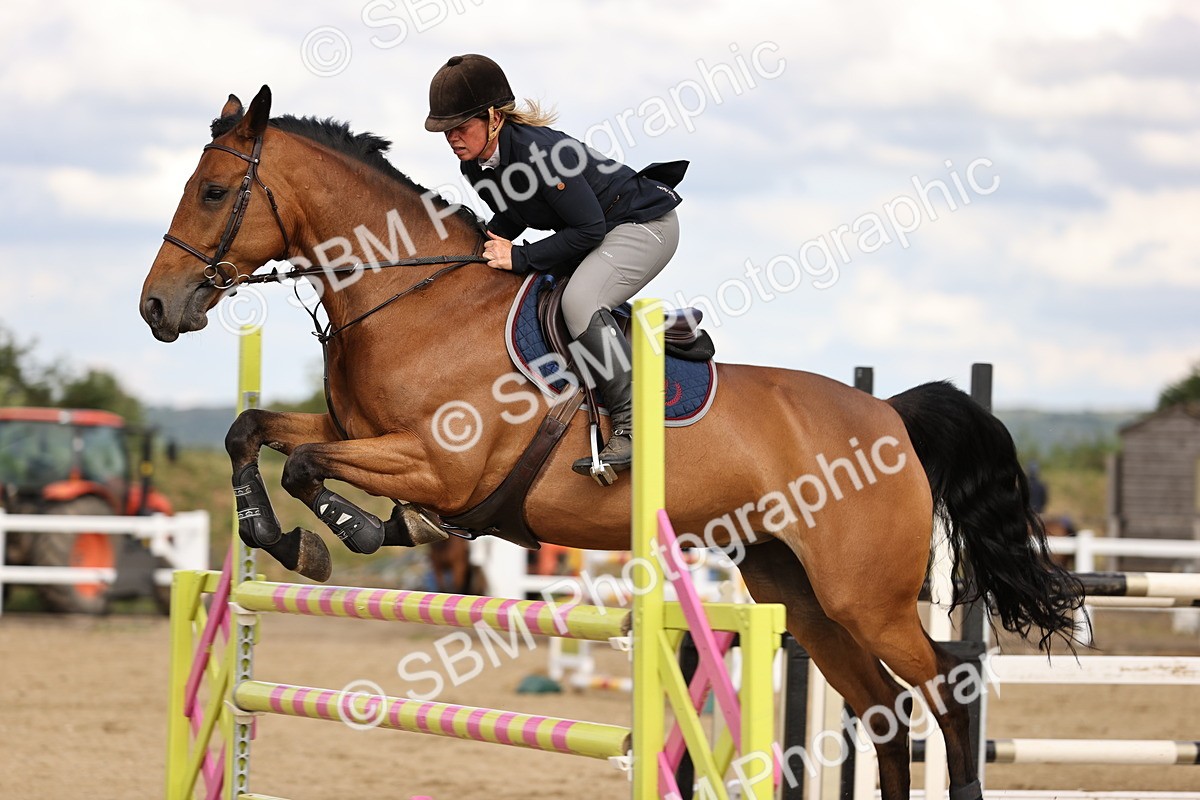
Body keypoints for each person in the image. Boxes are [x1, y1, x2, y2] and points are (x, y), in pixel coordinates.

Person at [425, 54, 686, 481]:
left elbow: (589, 229)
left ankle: (633, 426)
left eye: (460, 126)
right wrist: (477, 250)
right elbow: (514, 216)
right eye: (445, 130)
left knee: (581, 300)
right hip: (598, 230)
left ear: (493, 118)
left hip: (643, 227)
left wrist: (522, 258)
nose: (452, 137)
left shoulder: (540, 153)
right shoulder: (474, 164)